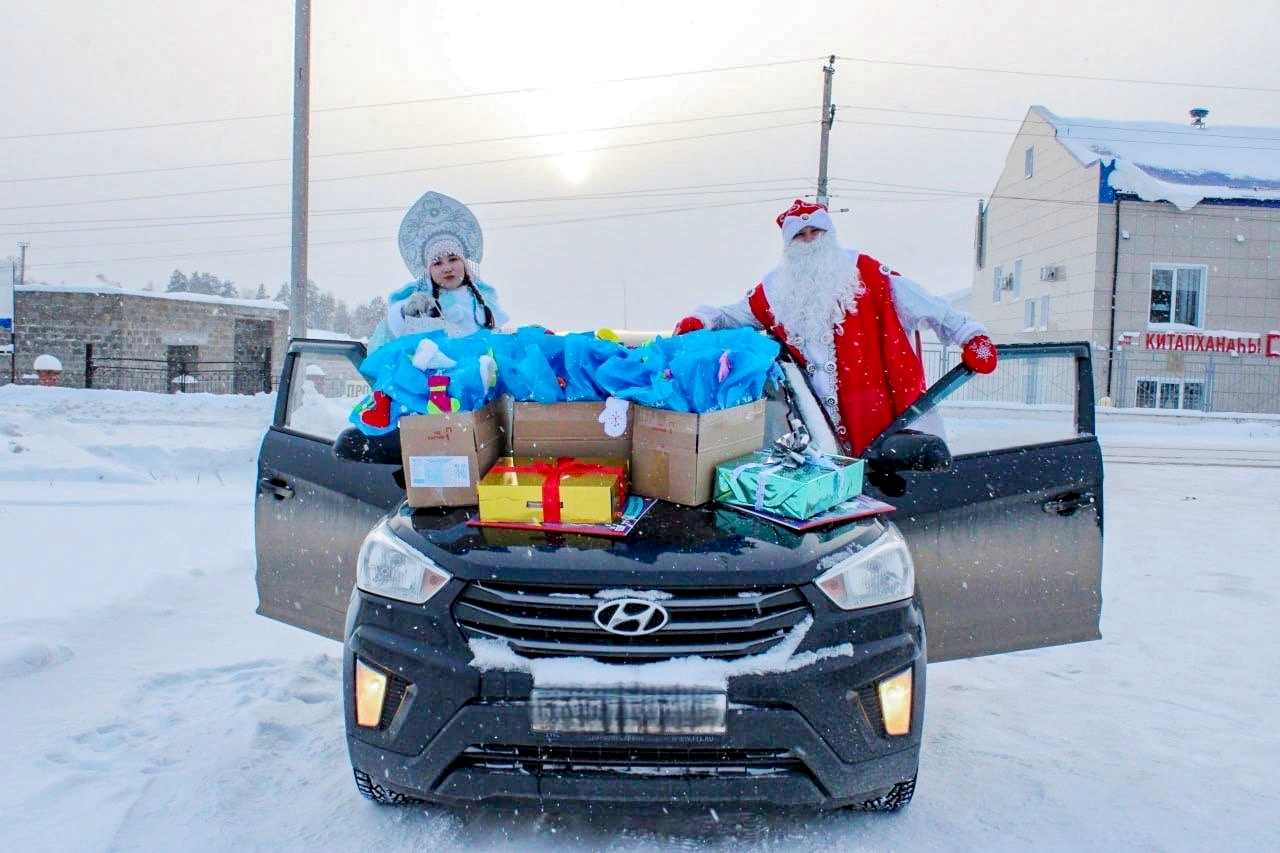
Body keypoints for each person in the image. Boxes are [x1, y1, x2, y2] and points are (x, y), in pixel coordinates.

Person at [673, 199, 998, 457]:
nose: (810, 241)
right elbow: (733, 316)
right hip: (817, 438)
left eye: (816, 232)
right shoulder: (776, 291)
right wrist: (702, 321)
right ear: (788, 245)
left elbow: (932, 307)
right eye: (800, 235)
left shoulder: (869, 275)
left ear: (830, 235)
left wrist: (970, 335)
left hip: (888, 432)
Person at [367, 191, 510, 351]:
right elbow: (390, 345)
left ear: (464, 263)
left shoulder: (484, 302)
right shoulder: (419, 304)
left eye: (453, 259)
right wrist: (406, 315)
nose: (447, 268)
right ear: (428, 270)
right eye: (438, 263)